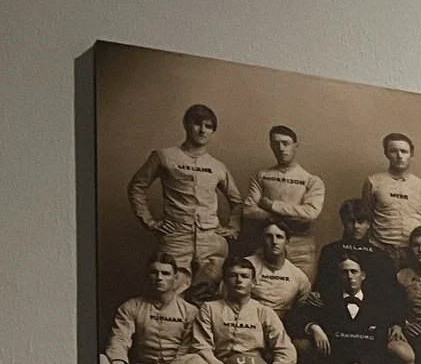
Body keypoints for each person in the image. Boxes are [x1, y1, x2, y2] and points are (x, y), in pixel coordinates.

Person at [127, 102, 240, 293]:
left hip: (210, 240)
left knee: (208, 295)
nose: (202, 130)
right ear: (186, 125)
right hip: (176, 237)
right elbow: (136, 187)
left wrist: (233, 227)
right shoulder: (165, 156)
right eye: (197, 124)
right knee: (169, 293)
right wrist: (150, 222)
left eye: (208, 126)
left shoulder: (217, 166)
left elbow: (237, 201)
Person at [176, 257, 298, 364]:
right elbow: (202, 346)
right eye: (233, 276)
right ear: (225, 281)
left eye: (244, 276)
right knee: (189, 362)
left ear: (253, 282)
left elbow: (286, 351)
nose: (239, 281)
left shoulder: (264, 312)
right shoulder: (210, 308)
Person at [99, 253, 201, 364]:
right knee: (101, 362)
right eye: (154, 272)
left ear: (175, 277)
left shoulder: (190, 311)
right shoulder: (131, 306)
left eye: (165, 273)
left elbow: (185, 352)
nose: (159, 278)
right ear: (147, 275)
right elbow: (119, 339)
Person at [299, 252, 395, 364]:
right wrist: (314, 328)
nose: (349, 276)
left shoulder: (377, 307)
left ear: (362, 275)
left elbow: (380, 345)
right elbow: (296, 318)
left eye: (354, 271)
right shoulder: (327, 301)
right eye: (344, 272)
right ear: (338, 276)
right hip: (333, 363)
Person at [240, 123, 326, 275]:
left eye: (285, 143)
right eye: (276, 144)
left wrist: (271, 205)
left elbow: (310, 213)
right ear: (271, 146)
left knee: (302, 287)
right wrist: (280, 218)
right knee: (263, 285)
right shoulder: (262, 176)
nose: (281, 148)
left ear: (295, 146)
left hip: (301, 247)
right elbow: (248, 210)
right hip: (267, 244)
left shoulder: (312, 180)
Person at [310, 196, 402, 318]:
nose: (356, 226)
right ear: (344, 222)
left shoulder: (380, 256)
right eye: (351, 221)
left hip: (372, 314)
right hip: (336, 311)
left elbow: (390, 294)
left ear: (368, 224)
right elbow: (322, 286)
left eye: (360, 222)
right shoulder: (330, 251)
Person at [359, 132, 421, 255]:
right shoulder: (373, 182)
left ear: (411, 154)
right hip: (380, 249)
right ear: (386, 153)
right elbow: (365, 219)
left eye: (404, 151)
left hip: (413, 251)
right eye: (394, 151)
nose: (399, 156)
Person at [245, 218, 314, 317]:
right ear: (262, 239)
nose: (274, 241)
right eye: (269, 236)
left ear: (287, 242)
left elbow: (303, 309)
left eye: (279, 237)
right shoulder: (246, 265)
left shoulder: (298, 276)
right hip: (250, 319)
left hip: (282, 322)